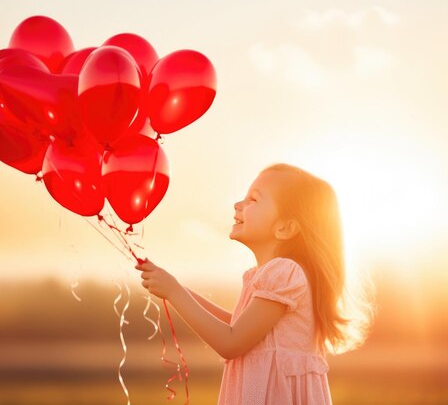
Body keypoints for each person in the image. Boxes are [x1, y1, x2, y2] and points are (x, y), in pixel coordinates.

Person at [135, 163, 376, 405]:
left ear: (284, 227)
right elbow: (239, 326)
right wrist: (174, 288)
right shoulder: (273, 275)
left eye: (253, 199)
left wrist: (175, 292)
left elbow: (231, 342)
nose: (238, 204)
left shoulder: (284, 273)